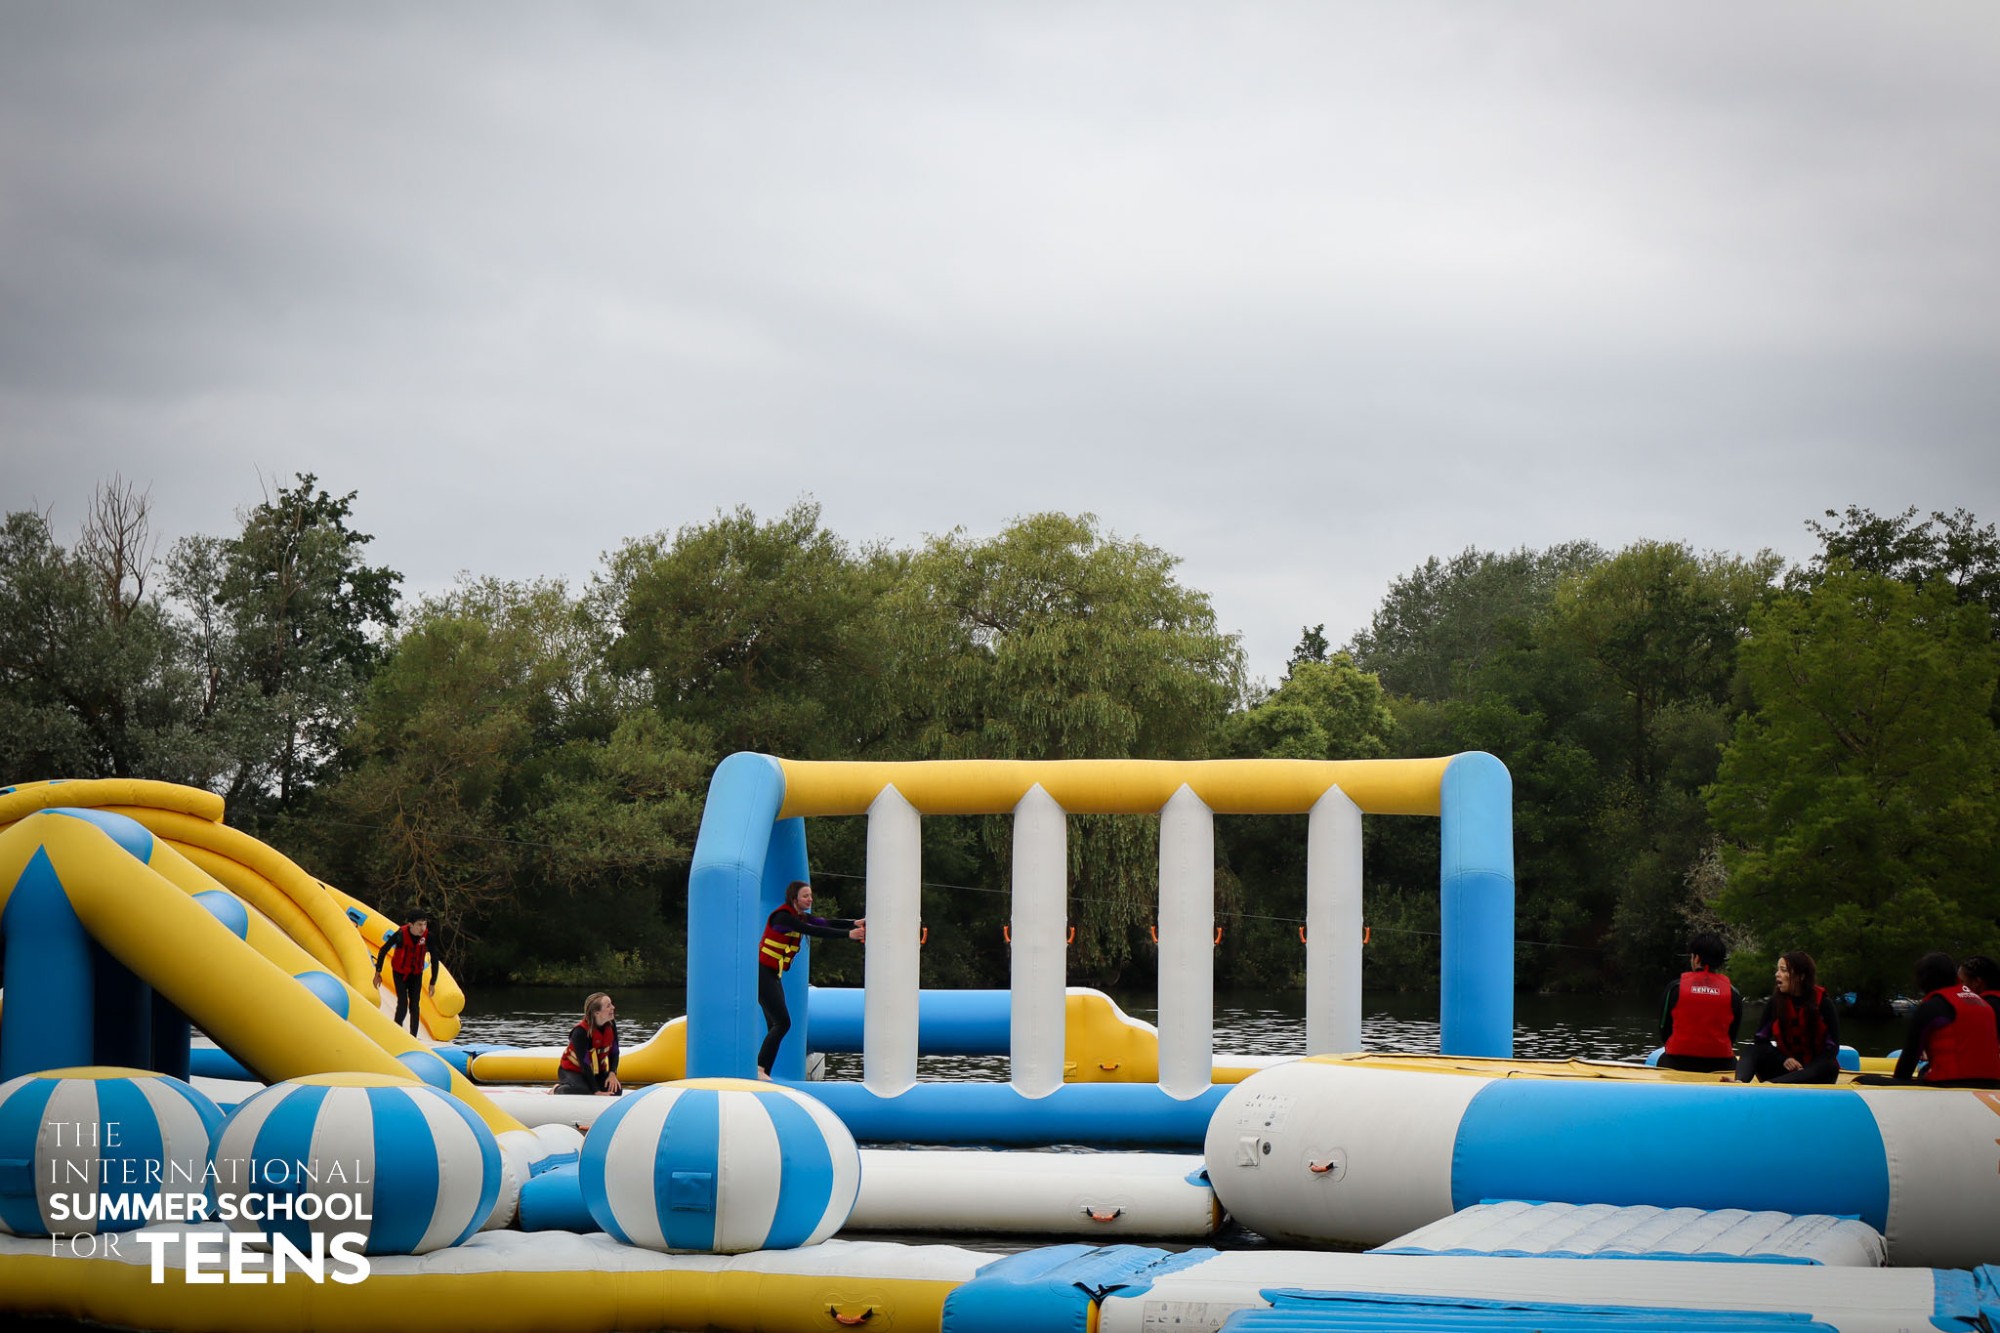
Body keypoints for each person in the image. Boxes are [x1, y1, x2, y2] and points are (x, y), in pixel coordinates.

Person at [757, 879, 864, 1080]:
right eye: (805, 896)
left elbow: (825, 923)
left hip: (771, 974)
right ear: (794, 898)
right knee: (782, 1023)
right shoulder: (783, 917)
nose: (810, 899)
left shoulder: (800, 917)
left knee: (775, 1025)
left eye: (811, 896)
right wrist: (849, 934)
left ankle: (763, 1072)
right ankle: (760, 1069)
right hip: (761, 973)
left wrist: (853, 923)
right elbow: (815, 930)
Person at [1882, 952, 2000, 1087]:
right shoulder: (1983, 1004)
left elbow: (1906, 1066)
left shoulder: (1931, 1006)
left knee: (1866, 1079)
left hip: (1951, 1084)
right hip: (1993, 1084)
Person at [1735, 950, 1841, 1084]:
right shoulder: (1775, 1003)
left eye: (1783, 970)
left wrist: (1807, 1069)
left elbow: (1831, 1049)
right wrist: (1784, 1059)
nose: (1777, 974)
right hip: (1785, 1069)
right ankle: (1740, 1082)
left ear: (1800, 976)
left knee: (1830, 1065)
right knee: (1753, 1049)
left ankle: (1774, 1085)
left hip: (1814, 1072)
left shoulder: (1824, 1004)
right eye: (1778, 970)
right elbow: (1761, 1040)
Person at [1658, 931, 1742, 1073]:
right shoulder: (1733, 993)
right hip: (1722, 1064)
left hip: (1676, 1062)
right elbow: (1732, 1035)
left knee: (1662, 1059)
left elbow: (1664, 1029)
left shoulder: (1674, 988)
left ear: (1696, 958)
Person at [374, 916, 439, 1037]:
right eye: (419, 924)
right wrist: (378, 973)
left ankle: (413, 1037)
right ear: (410, 925)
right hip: (400, 973)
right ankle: (396, 1035)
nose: (422, 928)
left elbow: (435, 959)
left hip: (416, 975)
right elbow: (383, 950)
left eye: (424, 924)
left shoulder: (428, 936)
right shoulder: (401, 934)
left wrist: (432, 982)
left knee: (415, 1006)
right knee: (402, 1005)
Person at [555, 992, 622, 1096]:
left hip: (597, 1072)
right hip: (572, 1071)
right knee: (582, 1091)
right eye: (608, 1006)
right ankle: (557, 1089)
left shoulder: (611, 1024)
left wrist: (612, 1073)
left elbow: (615, 1052)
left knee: (616, 1090)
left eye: (611, 1004)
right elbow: (585, 1063)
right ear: (597, 1013)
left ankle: (591, 1087)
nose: (613, 1007)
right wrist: (596, 1091)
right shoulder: (580, 1032)